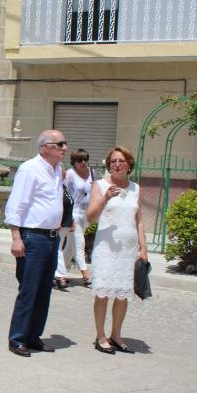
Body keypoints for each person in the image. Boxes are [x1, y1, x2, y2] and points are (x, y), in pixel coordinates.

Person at [5, 129, 67, 357]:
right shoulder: (29, 169)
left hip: (51, 236)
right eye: (60, 144)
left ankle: (33, 335)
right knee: (29, 289)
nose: (64, 148)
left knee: (44, 291)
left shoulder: (58, 170)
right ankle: (17, 338)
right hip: (33, 236)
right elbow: (16, 204)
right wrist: (16, 238)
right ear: (45, 147)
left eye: (64, 144)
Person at [86, 146, 147, 355]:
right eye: (113, 161)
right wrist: (105, 199)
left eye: (121, 161)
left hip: (128, 251)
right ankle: (100, 336)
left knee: (122, 294)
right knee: (103, 293)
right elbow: (90, 217)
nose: (117, 165)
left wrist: (143, 248)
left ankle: (116, 335)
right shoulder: (99, 185)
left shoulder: (135, 188)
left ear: (129, 165)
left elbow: (139, 220)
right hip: (106, 249)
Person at [55, 149, 95, 287]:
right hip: (74, 214)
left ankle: (60, 272)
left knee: (71, 247)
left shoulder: (93, 173)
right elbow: (63, 195)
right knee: (79, 243)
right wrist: (64, 216)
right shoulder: (70, 174)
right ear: (74, 162)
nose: (83, 162)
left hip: (87, 214)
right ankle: (86, 274)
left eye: (85, 159)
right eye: (79, 160)